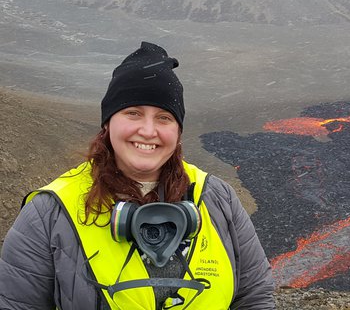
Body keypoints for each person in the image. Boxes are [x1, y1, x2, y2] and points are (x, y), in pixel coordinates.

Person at [0, 42, 275, 309]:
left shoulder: (218, 200)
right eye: (133, 113)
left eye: (164, 117)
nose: (148, 130)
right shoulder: (50, 213)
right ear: (107, 123)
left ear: (178, 131)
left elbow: (254, 297)